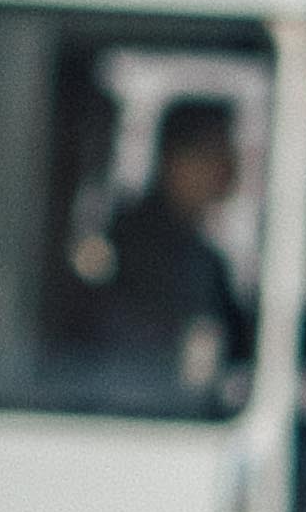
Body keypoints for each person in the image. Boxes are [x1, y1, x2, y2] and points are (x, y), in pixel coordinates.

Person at [63, 95, 252, 399]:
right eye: (214, 152)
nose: (229, 167)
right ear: (174, 160)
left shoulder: (203, 257)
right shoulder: (138, 244)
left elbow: (240, 336)